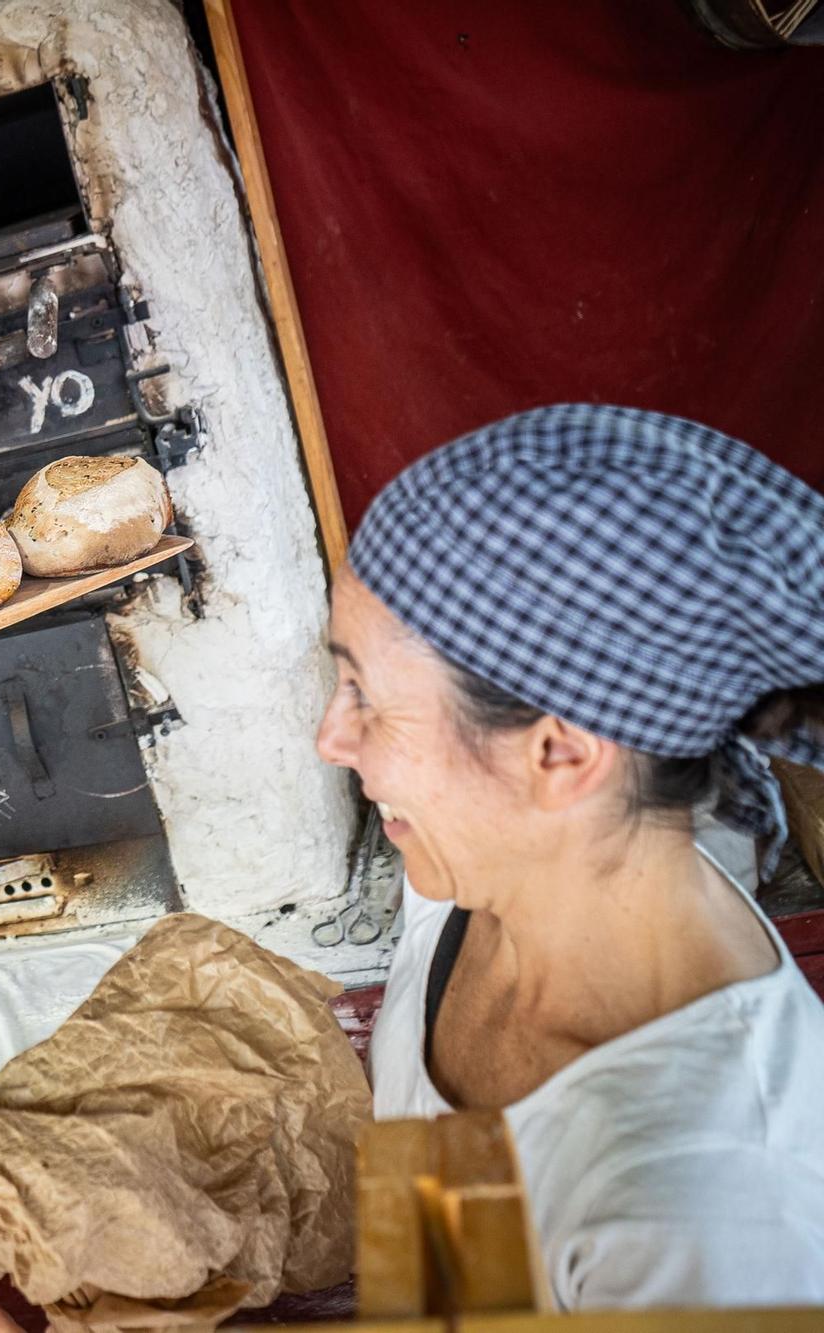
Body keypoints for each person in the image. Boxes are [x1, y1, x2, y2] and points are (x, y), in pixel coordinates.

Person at [316, 404, 824, 1307]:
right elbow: (461, 1285)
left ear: (561, 752)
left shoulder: (713, 1211)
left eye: (367, 693)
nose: (330, 738)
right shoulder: (470, 876)